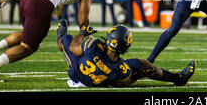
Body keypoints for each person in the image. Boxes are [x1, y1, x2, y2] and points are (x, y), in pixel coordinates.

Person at [57, 20, 196, 87]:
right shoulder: (121, 68)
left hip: (77, 75)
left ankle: (60, 35)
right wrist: (140, 74)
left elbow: (73, 48)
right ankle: (178, 78)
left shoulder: (94, 46)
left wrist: (83, 33)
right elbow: (122, 83)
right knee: (141, 64)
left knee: (67, 41)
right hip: (102, 79)